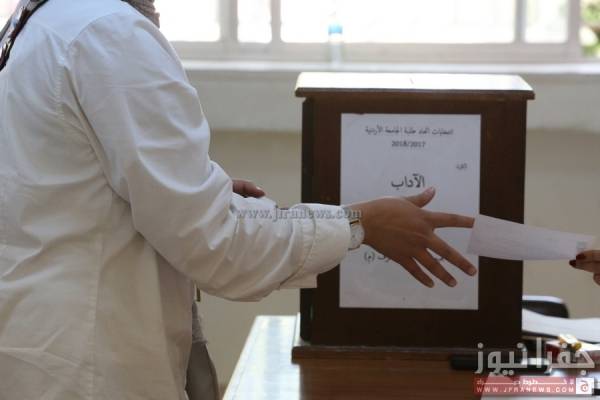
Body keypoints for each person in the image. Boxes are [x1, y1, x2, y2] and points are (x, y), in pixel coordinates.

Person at [0, 0, 477, 399]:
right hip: (89, 365)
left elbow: (67, 183)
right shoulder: (110, 33)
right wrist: (360, 224)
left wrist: (195, 186)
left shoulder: (42, 19)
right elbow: (217, 244)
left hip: (42, 344)